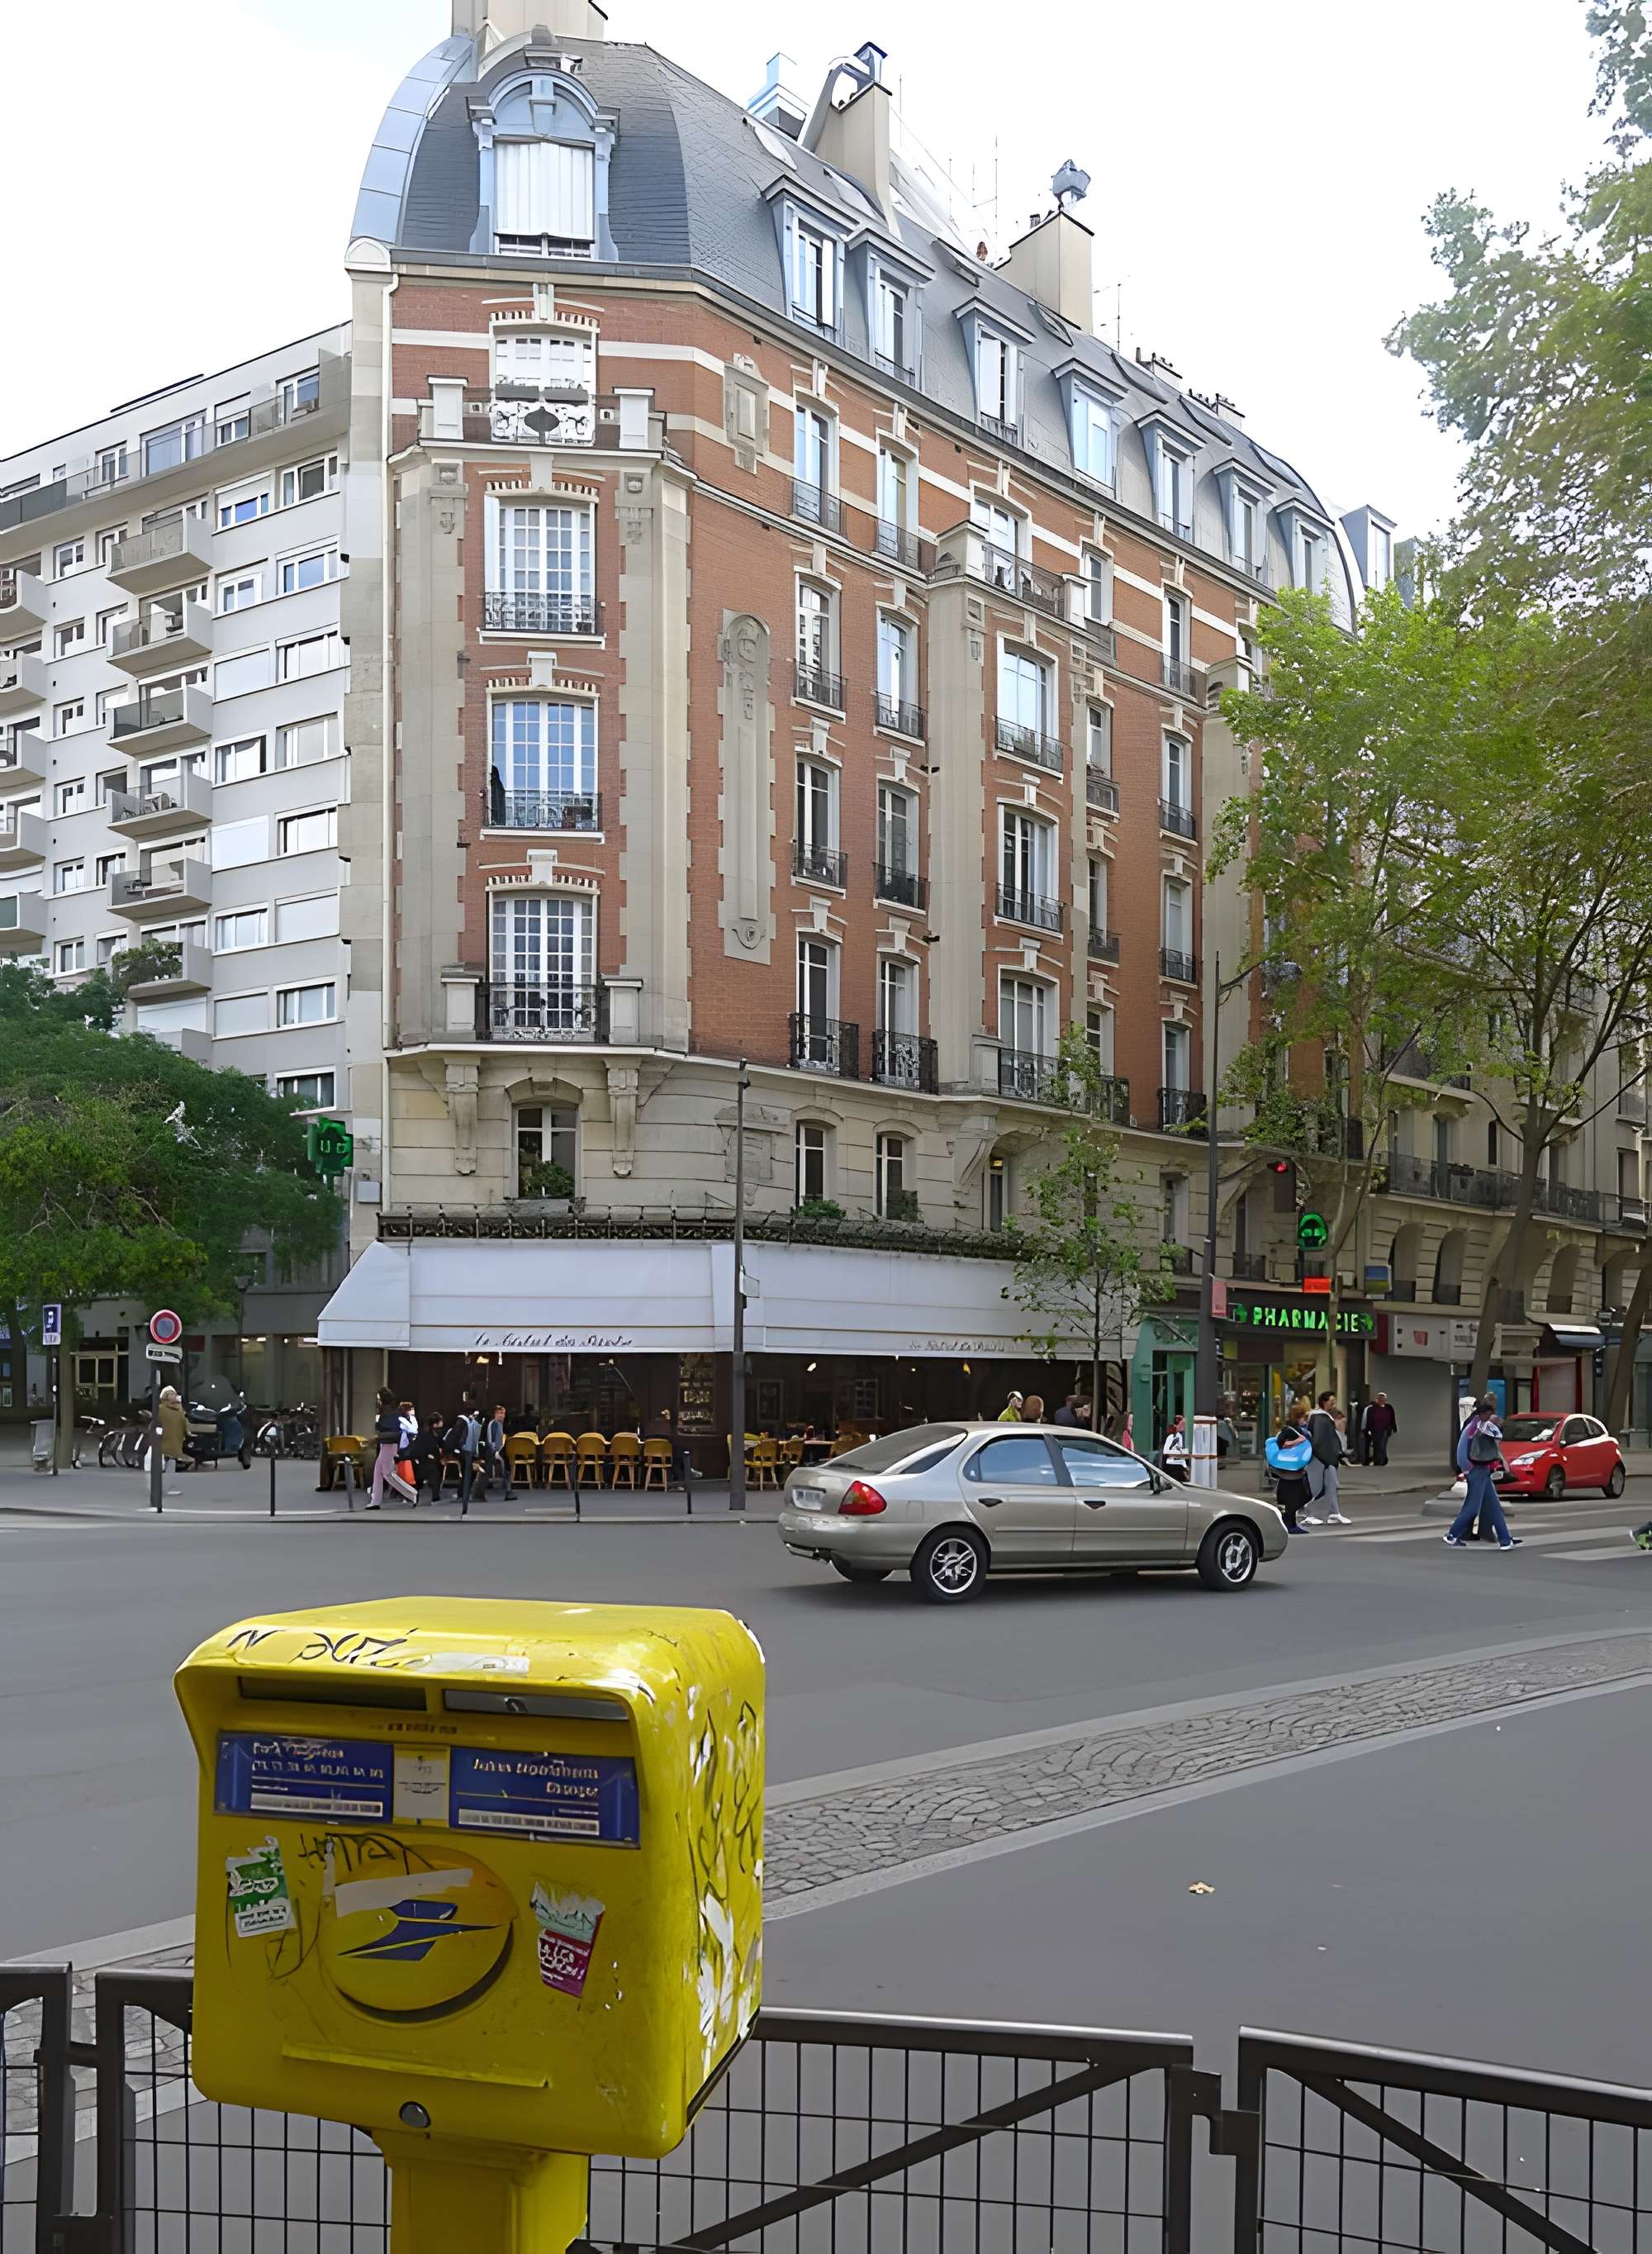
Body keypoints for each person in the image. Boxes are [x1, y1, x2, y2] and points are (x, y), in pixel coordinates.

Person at [1445, 1396, 1521, 1549]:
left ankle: (1505, 1540)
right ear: (1484, 1413)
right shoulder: (1479, 1425)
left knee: (1494, 1506)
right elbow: (1497, 1436)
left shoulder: (1473, 1424)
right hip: (1477, 1470)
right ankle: (1452, 1535)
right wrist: (1495, 1424)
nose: (1491, 1416)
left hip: (1479, 1469)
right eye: (1490, 1413)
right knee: (1473, 1507)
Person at [1302, 1391, 1350, 1524]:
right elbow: (1320, 1441)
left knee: (1331, 1486)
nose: (1334, 1404)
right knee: (1317, 1487)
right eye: (1331, 1401)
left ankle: (1334, 1514)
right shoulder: (1320, 1418)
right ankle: (1310, 1515)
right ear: (1324, 1402)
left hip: (1325, 1458)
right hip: (1321, 1458)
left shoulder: (1321, 1417)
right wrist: (1329, 1457)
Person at [366, 1387, 419, 1510]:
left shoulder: (389, 1414)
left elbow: (384, 1428)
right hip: (388, 1445)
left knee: (387, 1474)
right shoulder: (392, 1413)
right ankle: (375, 1501)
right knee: (379, 1473)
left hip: (389, 1445)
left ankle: (412, 1494)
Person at [1266, 1410, 1314, 1532]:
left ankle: (1289, 1524)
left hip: (1289, 1475)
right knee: (1291, 1501)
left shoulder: (1296, 1431)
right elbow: (1283, 1444)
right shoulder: (1291, 1431)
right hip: (1290, 1476)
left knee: (1286, 1502)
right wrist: (1299, 1441)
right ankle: (1287, 1525)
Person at [449, 1395, 482, 1505]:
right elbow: (457, 1436)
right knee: (468, 1471)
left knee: (469, 1471)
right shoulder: (464, 1421)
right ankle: (462, 1493)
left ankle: (462, 1493)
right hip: (464, 1450)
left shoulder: (465, 1420)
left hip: (465, 1449)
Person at [156, 1384, 190, 1472]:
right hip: (166, 1434)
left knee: (175, 1451)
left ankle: (173, 1465)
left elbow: (184, 1421)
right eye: (170, 1393)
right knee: (166, 1451)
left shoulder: (179, 1408)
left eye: (173, 1393)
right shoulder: (161, 1408)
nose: (173, 1395)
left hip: (177, 1434)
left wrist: (187, 1431)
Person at [484, 1401, 515, 1497]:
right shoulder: (493, 1425)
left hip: (499, 1450)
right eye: (500, 1413)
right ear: (495, 1414)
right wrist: (496, 1452)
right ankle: (507, 1489)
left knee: (506, 1458)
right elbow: (491, 1441)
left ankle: (507, 1485)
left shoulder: (502, 1425)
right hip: (492, 1450)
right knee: (504, 1460)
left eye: (503, 1413)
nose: (502, 1415)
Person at [1365, 1392, 1397, 1467]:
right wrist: (1368, 1429)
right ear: (1377, 1400)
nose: (1381, 1400)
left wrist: (1393, 1427)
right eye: (1380, 1398)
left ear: (1386, 1399)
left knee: (1382, 1444)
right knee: (1377, 1444)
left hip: (1386, 1429)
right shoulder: (1372, 1409)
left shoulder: (1389, 1408)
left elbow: (1392, 1417)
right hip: (1375, 1429)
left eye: (1383, 1398)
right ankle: (1379, 1460)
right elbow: (1369, 1420)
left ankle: (1381, 1460)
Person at [1160, 1412, 1189, 1481]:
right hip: (1170, 1465)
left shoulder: (1180, 1435)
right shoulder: (1171, 1435)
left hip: (1175, 1463)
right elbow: (1166, 1452)